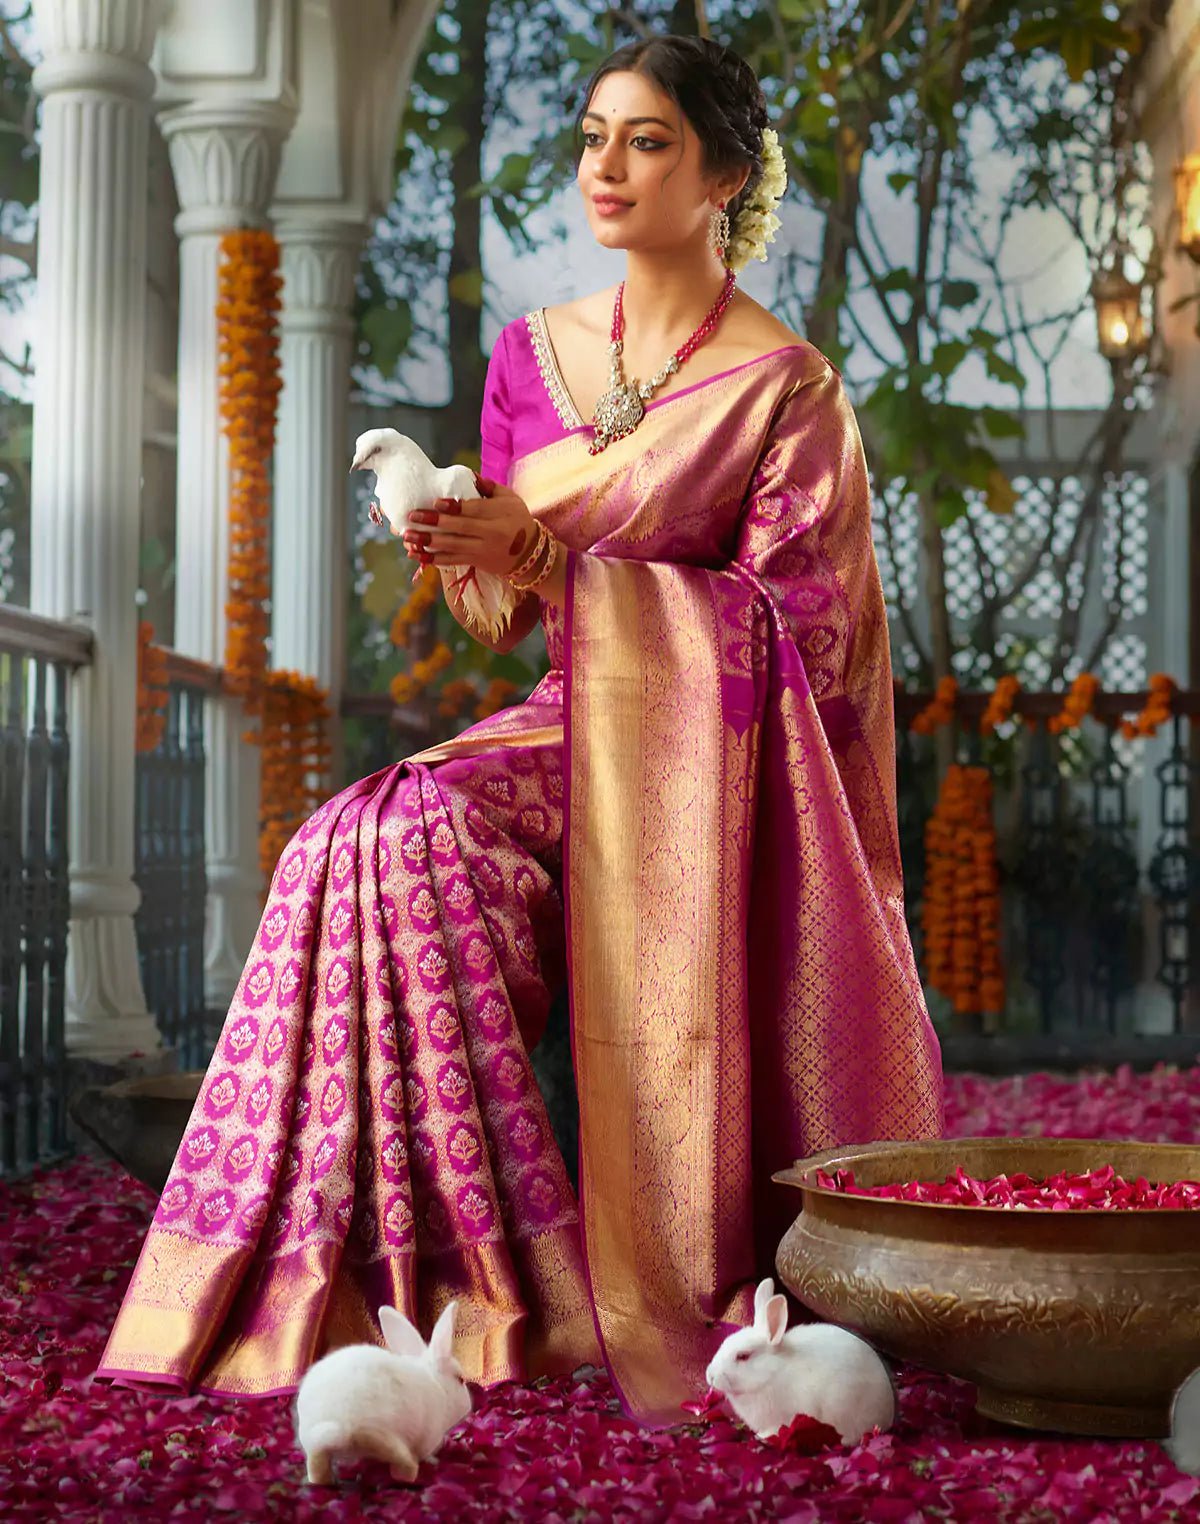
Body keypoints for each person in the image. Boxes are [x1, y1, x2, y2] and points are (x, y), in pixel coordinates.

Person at [97, 33, 943, 1428]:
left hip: (704, 775)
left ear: (725, 176)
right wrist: (463, 542)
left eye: (648, 141)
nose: (607, 167)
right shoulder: (529, 356)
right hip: (569, 724)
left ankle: (507, 1288)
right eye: (594, 137)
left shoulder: (786, 387)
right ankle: (404, 1277)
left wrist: (560, 567)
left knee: (412, 831)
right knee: (348, 837)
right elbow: (497, 618)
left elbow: (806, 635)